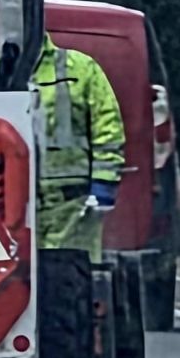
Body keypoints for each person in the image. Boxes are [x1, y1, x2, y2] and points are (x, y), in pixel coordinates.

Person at [32, 32, 125, 258]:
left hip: (73, 202)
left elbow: (107, 128)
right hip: (15, 199)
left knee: (70, 276)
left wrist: (103, 185)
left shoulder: (81, 68)